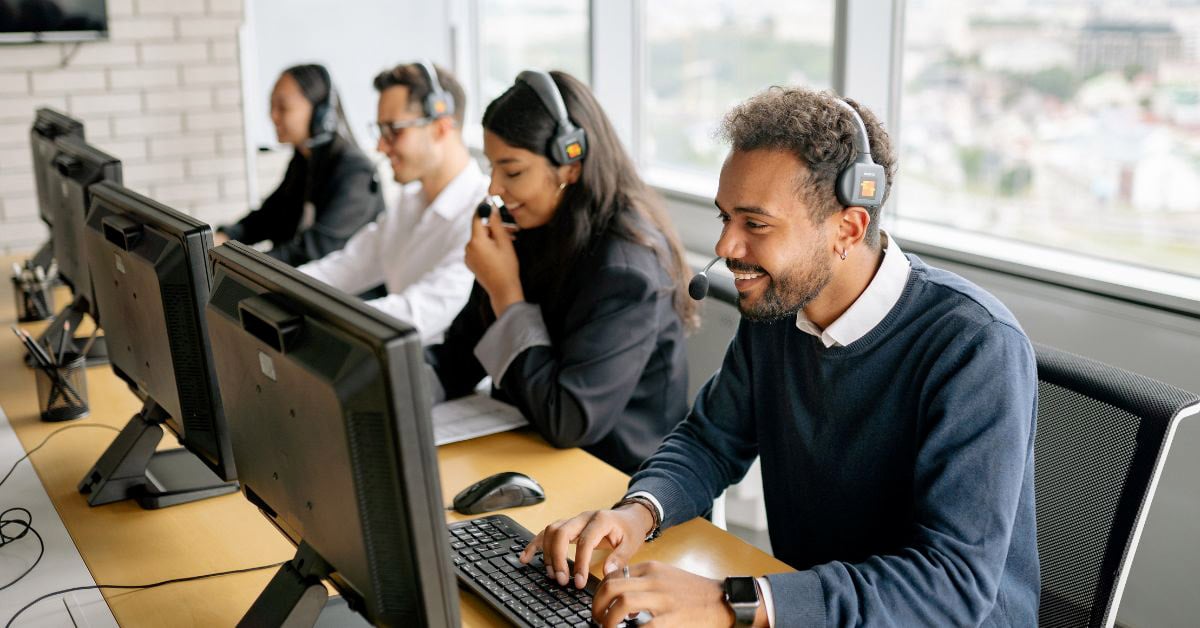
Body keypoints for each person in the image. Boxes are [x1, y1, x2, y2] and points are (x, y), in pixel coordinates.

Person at [525, 87, 1039, 627]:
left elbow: (950, 586)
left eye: (755, 223)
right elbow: (709, 441)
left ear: (848, 227)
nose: (725, 246)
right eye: (725, 217)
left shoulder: (975, 346)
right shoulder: (779, 310)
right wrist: (639, 513)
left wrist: (737, 602)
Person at [424, 70, 696, 474]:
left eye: (512, 171)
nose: (494, 187)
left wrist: (505, 293)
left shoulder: (627, 269)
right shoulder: (532, 231)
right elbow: (458, 360)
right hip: (534, 457)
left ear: (571, 162)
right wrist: (390, 389)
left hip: (614, 483)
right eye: (492, 167)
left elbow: (567, 419)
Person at [297, 61, 487, 345]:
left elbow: (415, 314)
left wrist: (318, 318)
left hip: (446, 381)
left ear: (441, 127)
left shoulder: (482, 214)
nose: (380, 147)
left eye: (394, 131)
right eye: (380, 131)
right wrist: (275, 287)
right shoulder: (409, 204)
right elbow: (346, 266)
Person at [215, 64, 382, 266]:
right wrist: (224, 238)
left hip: (352, 292)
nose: (273, 116)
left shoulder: (355, 172)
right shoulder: (304, 160)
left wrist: (244, 265)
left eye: (283, 108)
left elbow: (313, 251)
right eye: (271, 106)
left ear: (320, 114)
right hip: (310, 283)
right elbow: (269, 215)